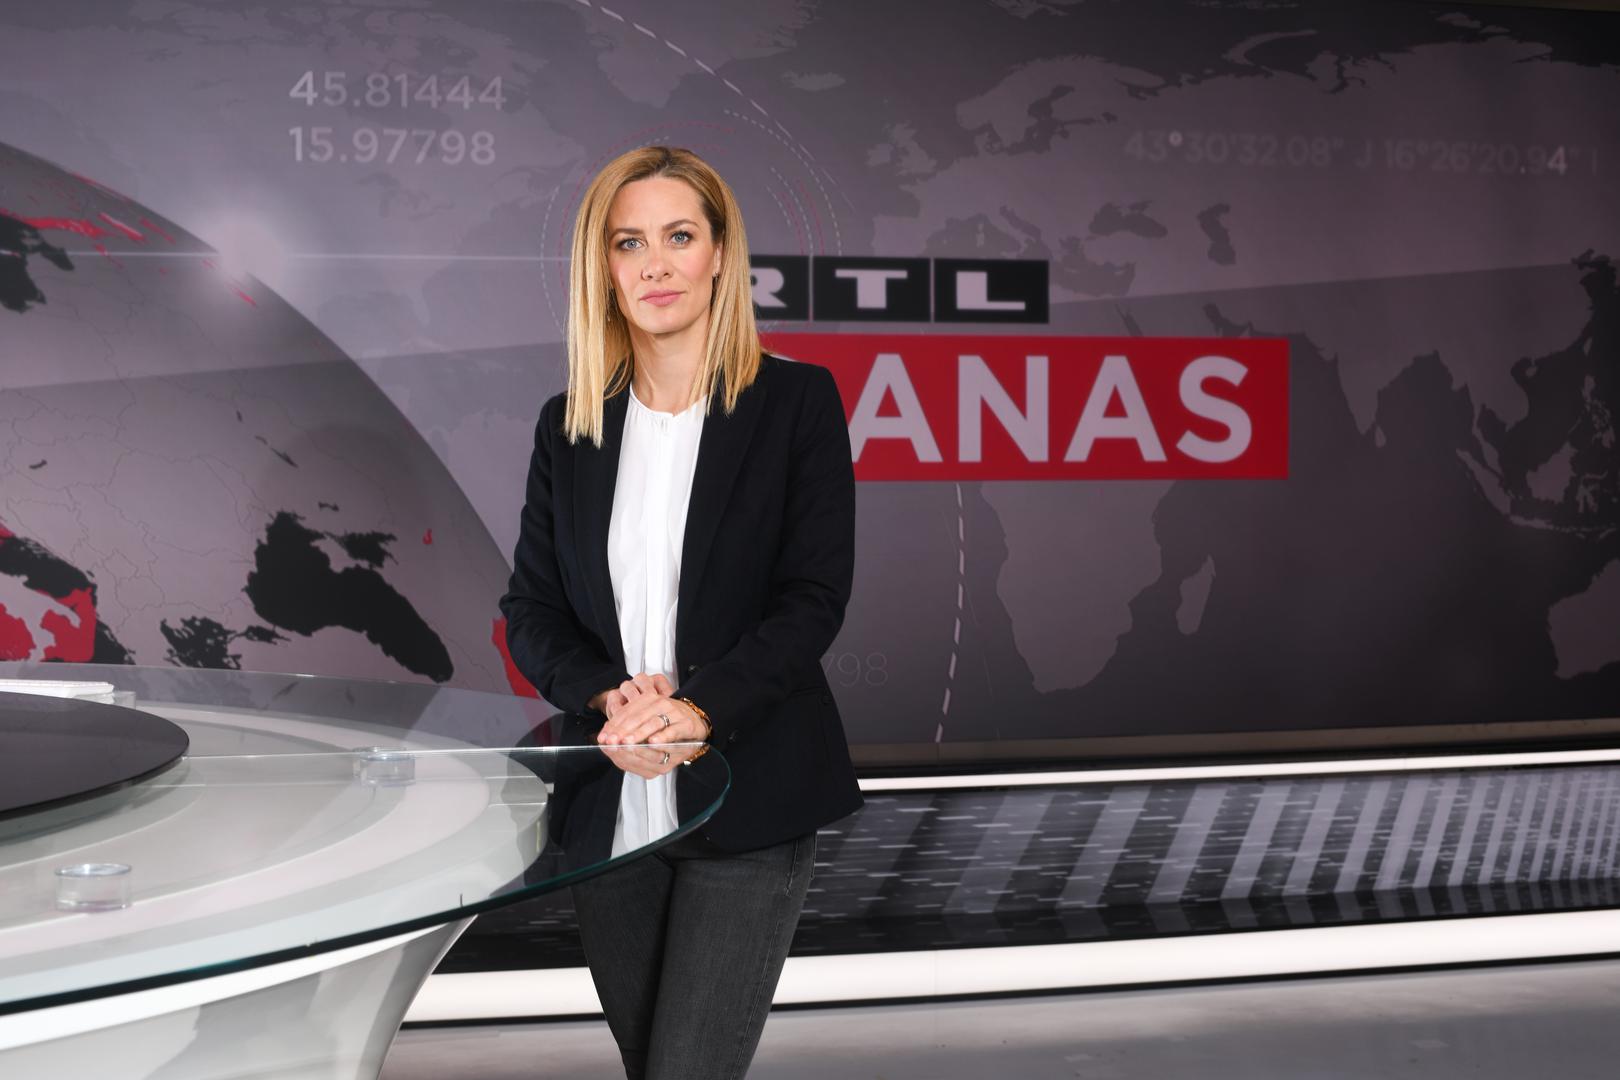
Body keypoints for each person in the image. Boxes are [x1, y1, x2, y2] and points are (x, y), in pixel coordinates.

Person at [500, 145, 863, 1080]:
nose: (655, 264)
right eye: (629, 242)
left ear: (719, 254)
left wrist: (700, 709)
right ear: (603, 266)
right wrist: (609, 698)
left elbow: (811, 599)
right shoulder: (569, 423)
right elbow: (532, 608)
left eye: (678, 236)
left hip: (750, 792)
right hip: (611, 802)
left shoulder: (797, 402)